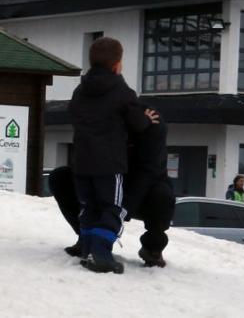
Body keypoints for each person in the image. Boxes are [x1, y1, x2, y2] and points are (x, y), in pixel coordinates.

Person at [67, 36, 153, 274]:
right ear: (117, 64)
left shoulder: (80, 91)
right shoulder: (122, 91)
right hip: (109, 163)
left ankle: (87, 248)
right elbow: (136, 123)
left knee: (88, 206)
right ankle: (102, 253)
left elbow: (72, 113)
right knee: (111, 207)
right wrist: (147, 119)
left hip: (82, 161)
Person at [51, 106, 172, 268]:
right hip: (106, 183)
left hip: (144, 188)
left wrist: (119, 211)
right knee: (61, 177)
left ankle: (153, 248)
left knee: (162, 196)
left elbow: (148, 172)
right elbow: (82, 164)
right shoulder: (95, 123)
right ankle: (87, 237)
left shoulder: (153, 125)